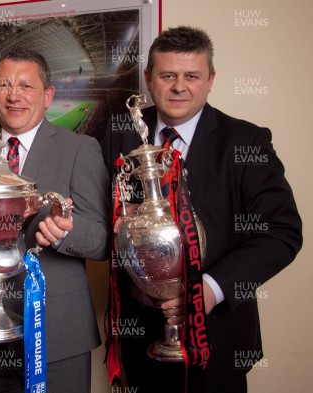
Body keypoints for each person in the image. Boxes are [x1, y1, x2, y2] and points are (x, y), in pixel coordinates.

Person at [102, 26, 302, 392]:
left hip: (217, 338)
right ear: (149, 79)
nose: (180, 86)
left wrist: (209, 289)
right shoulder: (120, 135)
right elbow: (102, 214)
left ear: (210, 81)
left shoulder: (245, 141)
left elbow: (281, 232)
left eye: (192, 76)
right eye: (168, 75)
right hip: (139, 336)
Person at [0, 47, 110, 392]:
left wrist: (64, 232)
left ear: (48, 96)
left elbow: (102, 241)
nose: (14, 96)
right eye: (4, 85)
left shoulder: (79, 149)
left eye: (26, 86)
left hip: (59, 332)